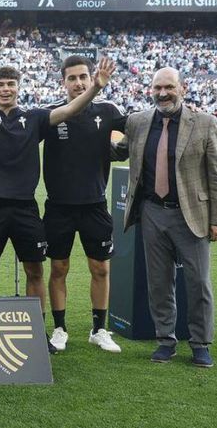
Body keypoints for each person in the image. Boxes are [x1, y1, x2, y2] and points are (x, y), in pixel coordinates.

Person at [0, 42, 113, 354]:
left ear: (18, 87)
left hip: (26, 207)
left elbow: (69, 110)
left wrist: (95, 87)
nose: (4, 89)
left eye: (10, 84)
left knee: (35, 271)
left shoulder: (34, 118)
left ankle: (35, 331)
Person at [117, 67, 217, 368]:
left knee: (198, 282)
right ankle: (166, 340)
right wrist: (88, 136)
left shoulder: (205, 123)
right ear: (150, 90)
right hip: (152, 212)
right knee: (158, 281)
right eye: (157, 88)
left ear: (182, 88)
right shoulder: (138, 122)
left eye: (168, 87)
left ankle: (200, 343)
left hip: (191, 214)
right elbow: (119, 151)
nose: (162, 93)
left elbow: (216, 175)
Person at [42, 55, 126, 354]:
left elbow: (135, 131)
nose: (78, 82)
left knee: (100, 269)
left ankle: (99, 329)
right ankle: (60, 329)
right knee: (59, 268)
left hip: (95, 205)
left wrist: (119, 150)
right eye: (72, 78)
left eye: (83, 77)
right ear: (63, 82)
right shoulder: (52, 115)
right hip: (59, 207)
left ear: (92, 78)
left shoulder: (107, 110)